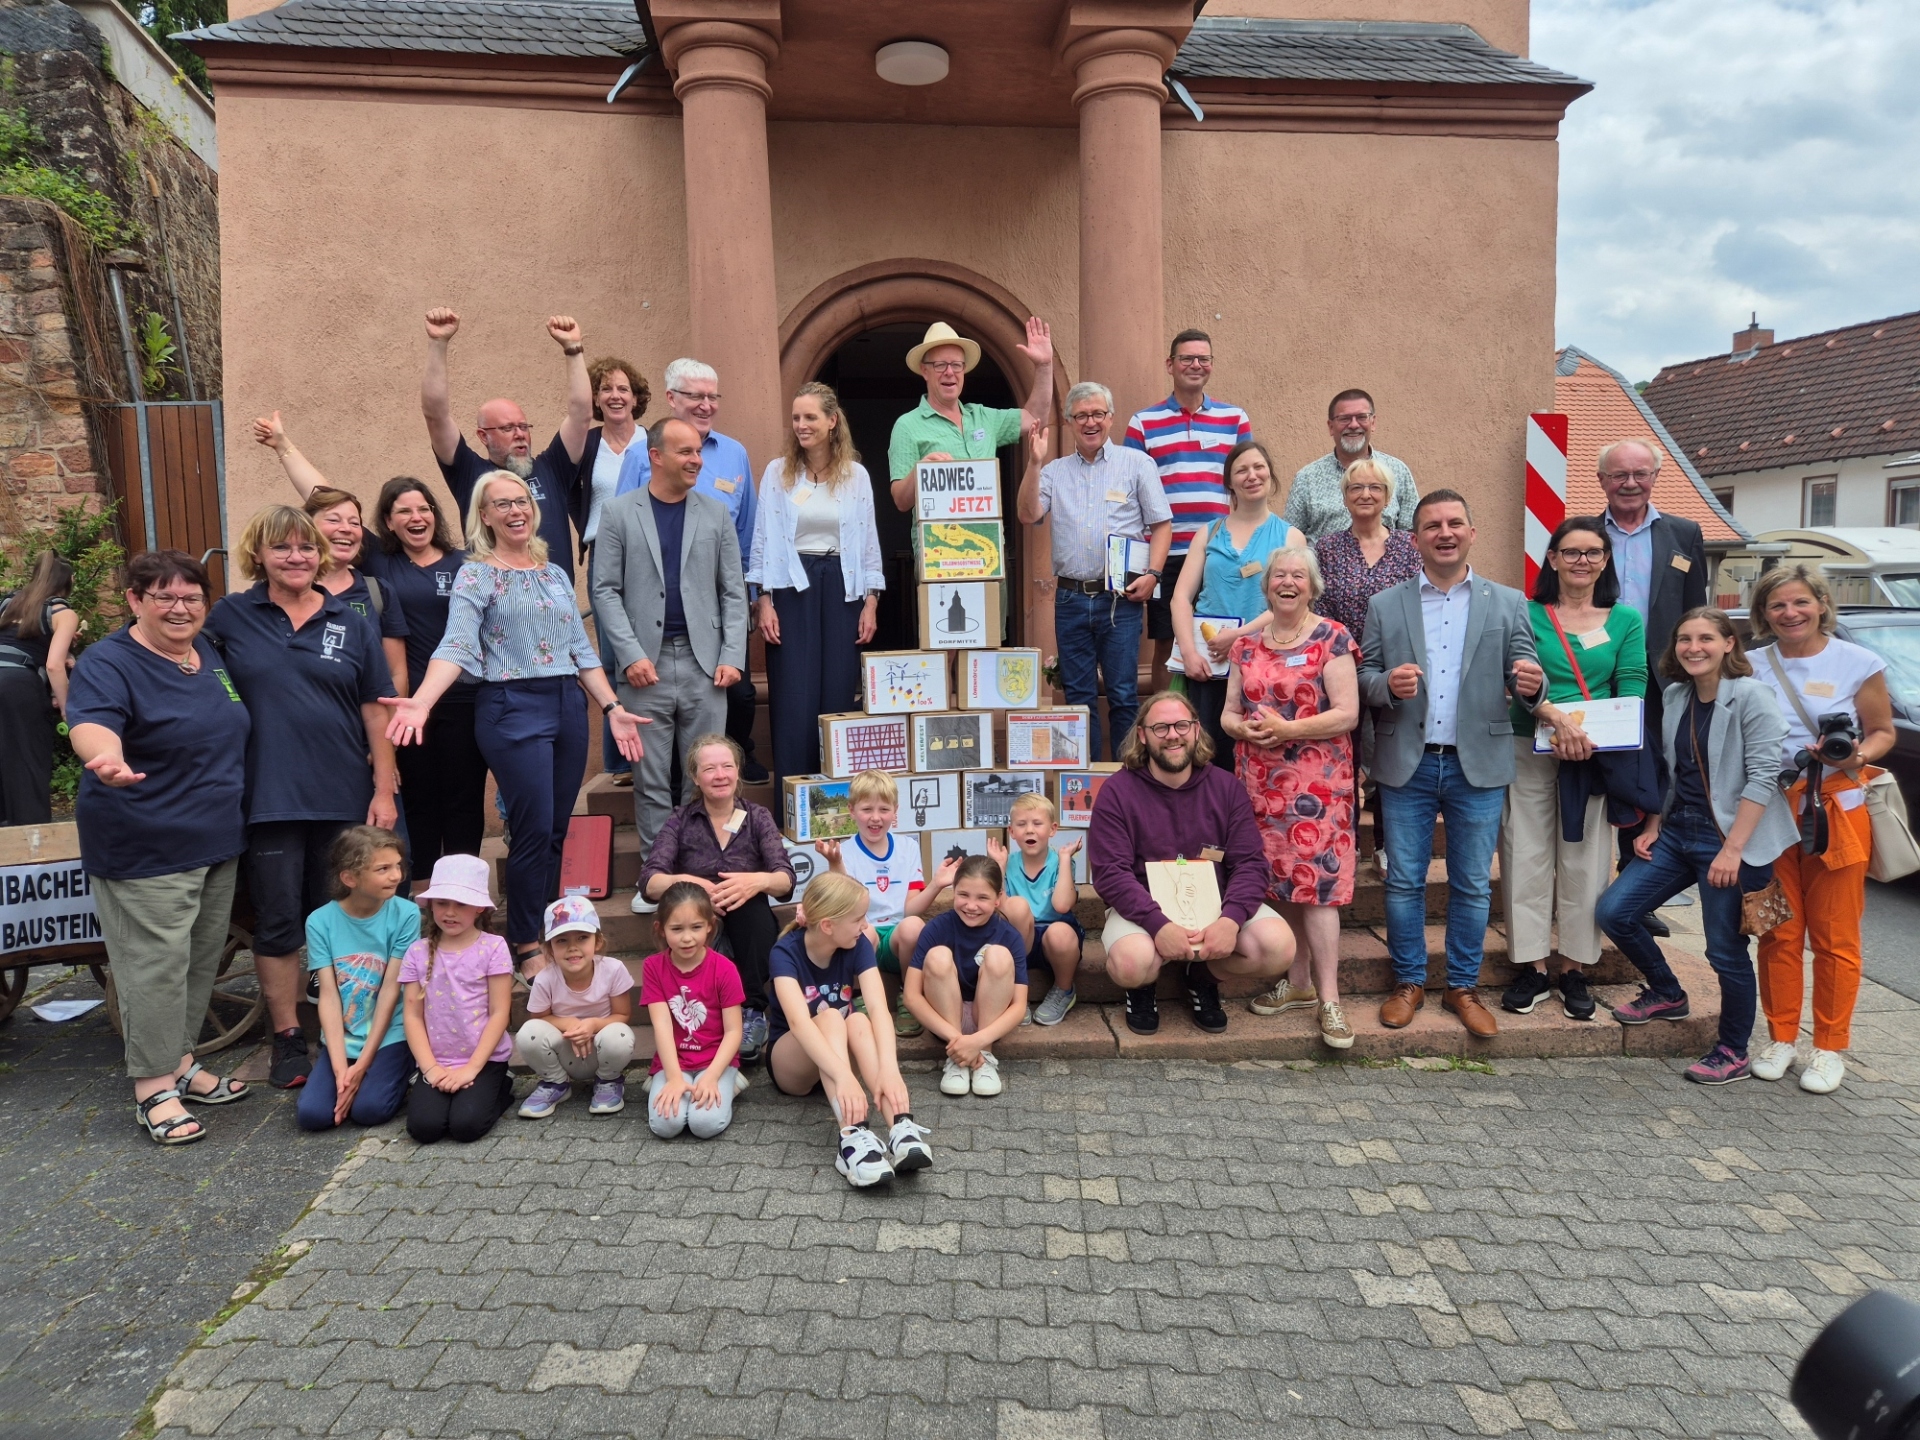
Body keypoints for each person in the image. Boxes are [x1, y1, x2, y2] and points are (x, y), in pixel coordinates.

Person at [380, 471, 646, 966]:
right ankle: (525, 942)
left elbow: (580, 650)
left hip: (567, 703)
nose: (515, 510)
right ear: (484, 515)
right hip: (509, 705)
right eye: (501, 504)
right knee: (531, 828)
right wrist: (423, 699)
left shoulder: (554, 573)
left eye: (521, 500)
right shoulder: (476, 574)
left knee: (556, 829)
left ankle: (545, 922)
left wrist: (611, 708)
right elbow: (456, 644)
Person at [205, 506, 399, 1090]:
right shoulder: (230, 617)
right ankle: (288, 1037)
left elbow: (376, 708)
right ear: (257, 555)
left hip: (343, 795)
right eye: (282, 548)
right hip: (267, 797)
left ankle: (351, 1031)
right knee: (281, 918)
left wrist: (384, 789)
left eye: (306, 547)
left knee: (342, 919)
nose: (297, 557)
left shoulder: (350, 618)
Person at [67, 550, 252, 1145]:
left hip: (214, 840)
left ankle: (181, 1063)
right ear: (135, 601)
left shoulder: (206, 657)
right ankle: (153, 1089)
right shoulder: (108, 662)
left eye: (192, 598)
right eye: (164, 597)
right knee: (154, 969)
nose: (180, 608)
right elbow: (90, 722)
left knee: (198, 962)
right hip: (145, 845)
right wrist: (106, 757)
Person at [1356, 490, 1547, 1038]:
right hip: (1407, 763)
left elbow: (1529, 671)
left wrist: (1532, 686)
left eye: (1455, 523)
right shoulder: (1385, 604)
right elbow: (1365, 675)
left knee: (1470, 883)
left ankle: (1462, 986)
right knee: (1403, 882)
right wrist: (1385, 685)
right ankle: (1408, 983)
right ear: (1413, 539)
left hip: (1477, 764)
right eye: (1432, 525)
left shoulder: (1508, 601)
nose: (1445, 532)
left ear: (1471, 533)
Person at [1595, 609, 1800, 1085]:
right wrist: (1653, 824)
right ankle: (1667, 991)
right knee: (1615, 912)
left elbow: (1765, 777)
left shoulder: (1752, 697)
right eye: (1685, 638)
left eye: (1706, 638)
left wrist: (1733, 850)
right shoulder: (1675, 694)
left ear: (1729, 644)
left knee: (1725, 951)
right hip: (1678, 831)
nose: (1694, 647)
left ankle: (1732, 1050)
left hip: (1729, 839)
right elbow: (1675, 771)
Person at [1748, 565, 1897, 1095]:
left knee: (1835, 937)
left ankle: (1830, 1047)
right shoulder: (1750, 663)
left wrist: (1854, 756)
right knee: (1777, 930)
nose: (1790, 613)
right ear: (1763, 614)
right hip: (1768, 809)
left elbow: (1882, 732)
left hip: (1837, 809)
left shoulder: (1858, 661)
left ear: (1821, 604)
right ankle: (1781, 1036)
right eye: (1777, 605)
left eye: (1800, 603)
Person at [1498, 517, 1648, 1024]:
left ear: (1605, 560)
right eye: (1570, 552)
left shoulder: (1625, 619)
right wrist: (1554, 721)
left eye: (1592, 552)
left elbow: (1631, 687)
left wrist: (1584, 735)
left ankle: (1575, 967)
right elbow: (1515, 675)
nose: (1581, 561)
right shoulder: (1528, 613)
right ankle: (1533, 967)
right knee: (1526, 855)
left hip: (1593, 754)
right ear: (1552, 559)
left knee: (1586, 862)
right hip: (1529, 747)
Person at [1088, 690, 1297, 1036]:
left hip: (1215, 904)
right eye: (1161, 728)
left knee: (1278, 947)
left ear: (1196, 730)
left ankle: (1201, 977)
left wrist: (1231, 920)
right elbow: (1111, 873)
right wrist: (1158, 925)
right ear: (1142, 734)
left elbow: (1249, 863)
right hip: (1144, 909)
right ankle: (1141, 988)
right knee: (1131, 964)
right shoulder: (1117, 791)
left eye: (1182, 725)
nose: (1173, 735)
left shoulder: (1226, 787)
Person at [1221, 548, 1361, 1049]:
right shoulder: (1246, 646)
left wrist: (1287, 728)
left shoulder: (1332, 637)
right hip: (1258, 782)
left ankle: (1330, 1001)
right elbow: (1228, 714)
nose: (1286, 582)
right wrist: (1246, 729)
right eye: (1279, 575)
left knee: (1318, 886)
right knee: (1278, 882)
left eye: (1297, 575)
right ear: (1267, 586)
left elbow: (1346, 713)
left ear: (1312, 585)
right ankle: (1298, 983)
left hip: (1317, 787)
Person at [592, 416, 748, 858]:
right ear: (655, 457)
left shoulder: (715, 512)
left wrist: (734, 654)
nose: (697, 460)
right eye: (686, 452)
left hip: (706, 665)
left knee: (705, 774)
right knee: (651, 778)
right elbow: (604, 589)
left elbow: (732, 590)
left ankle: (699, 866)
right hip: (645, 668)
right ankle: (656, 872)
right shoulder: (619, 513)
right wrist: (629, 654)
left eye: (698, 451)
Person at [615, 358, 765, 780]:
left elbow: (747, 528)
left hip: (717, 600)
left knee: (738, 692)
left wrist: (753, 595)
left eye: (712, 396)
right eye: (695, 396)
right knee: (662, 711)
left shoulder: (734, 453)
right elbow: (623, 525)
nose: (705, 405)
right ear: (671, 399)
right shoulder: (644, 453)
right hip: (657, 610)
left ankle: (735, 758)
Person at [1016, 382, 1172, 760]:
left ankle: (1125, 780)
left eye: (1098, 414)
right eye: (1082, 415)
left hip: (1121, 599)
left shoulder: (1136, 464)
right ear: (1069, 422)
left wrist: (1153, 574)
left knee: (1122, 694)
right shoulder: (1053, 471)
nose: (1090, 422)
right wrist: (1034, 463)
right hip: (1070, 598)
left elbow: (1162, 525)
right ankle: (1083, 783)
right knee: (1079, 697)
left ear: (1111, 418)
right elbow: (1028, 514)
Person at [749, 383, 884, 787]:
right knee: (793, 697)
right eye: (796, 418)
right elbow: (764, 537)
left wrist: (871, 601)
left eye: (810, 417)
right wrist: (764, 600)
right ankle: (793, 808)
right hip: (792, 587)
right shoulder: (779, 472)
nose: (802, 425)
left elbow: (869, 540)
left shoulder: (856, 476)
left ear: (832, 421)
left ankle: (836, 800)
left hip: (843, 588)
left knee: (837, 696)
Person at [765, 872, 933, 1188]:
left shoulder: (856, 946)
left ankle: (899, 1126)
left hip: (838, 1058)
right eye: (858, 919)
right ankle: (852, 1138)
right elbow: (800, 1025)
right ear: (827, 925)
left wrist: (890, 1069)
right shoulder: (785, 952)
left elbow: (880, 1010)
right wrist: (844, 1076)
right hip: (793, 1064)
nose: (866, 926)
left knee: (857, 1019)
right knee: (829, 1018)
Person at [1597, 437, 1708, 907]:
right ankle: (1607, 886)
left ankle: (1637, 890)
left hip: (1666, 676)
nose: (1630, 483)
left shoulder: (1684, 534)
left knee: (1659, 772)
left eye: (1640, 474)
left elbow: (1697, 610)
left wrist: (1697, 668)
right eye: (1620, 475)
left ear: (1655, 478)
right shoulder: (1582, 532)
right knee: (1616, 773)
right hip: (1603, 676)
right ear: (1602, 481)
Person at [635, 734, 793, 1063]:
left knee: (750, 905)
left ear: (738, 771)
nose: (720, 775)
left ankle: (751, 1012)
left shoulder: (757, 816)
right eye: (709, 768)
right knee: (689, 910)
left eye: (727, 766)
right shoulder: (680, 820)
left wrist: (757, 881)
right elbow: (649, 881)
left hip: (745, 918)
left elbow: (784, 879)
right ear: (695, 776)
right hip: (697, 920)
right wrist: (691, 882)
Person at [364, 476, 487, 880]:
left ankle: (464, 890)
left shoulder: (465, 562)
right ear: (388, 520)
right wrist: (281, 445)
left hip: (464, 702)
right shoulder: (381, 562)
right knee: (419, 800)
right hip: (405, 707)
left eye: (424, 509)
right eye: (404, 511)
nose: (416, 518)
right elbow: (325, 503)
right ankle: (421, 890)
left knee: (464, 800)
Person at [420, 307, 593, 580]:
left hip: (554, 609)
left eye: (524, 426)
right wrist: (438, 343)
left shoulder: (553, 468)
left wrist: (573, 348)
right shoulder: (468, 473)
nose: (520, 434)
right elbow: (435, 415)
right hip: (496, 610)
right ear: (483, 436)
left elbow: (582, 415)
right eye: (508, 428)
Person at [1123, 331, 1253, 690]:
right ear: (1170, 365)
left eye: (1204, 359)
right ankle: (1167, 724)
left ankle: (1213, 721)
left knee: (1225, 636)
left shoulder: (1234, 419)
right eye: (1187, 358)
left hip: (1220, 551)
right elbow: (1131, 495)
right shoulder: (1143, 423)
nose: (1196, 365)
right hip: (1166, 554)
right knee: (1167, 642)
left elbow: (1245, 479)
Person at [1170, 439, 1308, 771]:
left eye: (1258, 467)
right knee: (1207, 755)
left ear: (1270, 475)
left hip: (1265, 659)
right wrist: (1189, 653)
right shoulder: (1209, 533)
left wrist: (1240, 635)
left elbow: (1291, 603)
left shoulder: (1291, 537)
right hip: (1209, 664)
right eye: (1241, 470)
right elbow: (1179, 598)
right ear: (1229, 482)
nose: (1251, 475)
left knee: (1260, 755)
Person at [251, 413, 408, 692]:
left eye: (354, 522)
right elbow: (321, 494)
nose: (345, 528)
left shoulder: (377, 590)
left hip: (361, 725)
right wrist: (282, 445)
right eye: (333, 520)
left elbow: (395, 673)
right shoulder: (279, 588)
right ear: (308, 526)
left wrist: (389, 731)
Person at [296, 826, 417, 1133]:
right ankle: (344, 1073)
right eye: (383, 869)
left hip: (390, 1034)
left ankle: (401, 1070)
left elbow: (392, 989)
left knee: (370, 1110)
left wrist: (362, 1066)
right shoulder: (320, 921)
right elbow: (328, 995)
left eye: (398, 866)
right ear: (350, 878)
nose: (396, 876)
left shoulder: (406, 915)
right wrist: (341, 1070)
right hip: (344, 1035)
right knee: (313, 1116)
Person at [399, 854, 516, 1144]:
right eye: (442, 903)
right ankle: (450, 1092)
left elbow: (500, 1012)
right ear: (431, 905)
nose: (449, 912)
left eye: (460, 904)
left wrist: (472, 1069)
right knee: (424, 1129)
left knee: (466, 1127)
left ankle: (502, 1087)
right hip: (437, 1059)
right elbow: (413, 1016)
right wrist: (430, 1069)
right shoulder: (417, 952)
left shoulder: (493, 947)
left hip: (483, 1059)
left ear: (478, 907)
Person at [886, 319, 1055, 514]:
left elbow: (1034, 416)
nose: (950, 372)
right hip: (938, 542)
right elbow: (900, 501)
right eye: (940, 365)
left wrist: (1044, 365)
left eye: (956, 365)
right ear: (925, 371)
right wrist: (921, 472)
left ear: (964, 370)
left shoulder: (983, 417)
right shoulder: (907, 425)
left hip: (988, 542)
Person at [907, 856, 1030, 1099]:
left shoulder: (1010, 936)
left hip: (988, 1020)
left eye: (982, 897)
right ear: (953, 891)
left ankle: (984, 1057)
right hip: (946, 1021)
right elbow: (911, 996)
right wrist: (959, 1042)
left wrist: (978, 1041)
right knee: (938, 956)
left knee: (999, 956)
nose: (971, 905)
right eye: (964, 895)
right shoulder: (936, 928)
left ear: (997, 899)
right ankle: (956, 1060)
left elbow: (1019, 1006)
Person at [579, 356, 649, 781]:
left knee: (649, 653)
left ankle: (653, 751)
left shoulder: (652, 440)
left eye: (623, 388)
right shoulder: (587, 445)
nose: (615, 395)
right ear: (596, 399)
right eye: (606, 389)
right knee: (610, 659)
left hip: (650, 559)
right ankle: (618, 760)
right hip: (603, 555)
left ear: (636, 397)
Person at [816, 769, 927, 1038]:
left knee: (914, 926)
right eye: (867, 809)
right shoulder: (845, 851)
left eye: (884, 809)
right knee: (861, 931)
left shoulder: (908, 847)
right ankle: (860, 996)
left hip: (897, 941)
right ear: (852, 811)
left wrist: (937, 885)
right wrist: (834, 864)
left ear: (895, 811)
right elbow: (842, 901)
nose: (875, 817)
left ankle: (908, 996)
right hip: (864, 934)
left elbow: (911, 909)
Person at [515, 894, 636, 1119]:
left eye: (582, 938)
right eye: (562, 940)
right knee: (527, 1034)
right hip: (564, 1052)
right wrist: (569, 1023)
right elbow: (538, 1019)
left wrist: (592, 1025)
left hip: (600, 1050)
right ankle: (556, 1084)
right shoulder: (545, 978)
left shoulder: (613, 969)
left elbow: (623, 1014)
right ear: (549, 949)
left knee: (620, 1035)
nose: (573, 948)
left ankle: (608, 1080)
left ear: (597, 941)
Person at [642, 882, 747, 1140]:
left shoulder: (724, 969)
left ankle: (730, 1083)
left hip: (715, 1061)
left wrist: (711, 1077)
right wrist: (674, 1079)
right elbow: (663, 1026)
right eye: (677, 929)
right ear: (661, 929)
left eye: (696, 927)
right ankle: (666, 1082)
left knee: (704, 1125)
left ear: (710, 925)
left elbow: (734, 1031)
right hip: (674, 1061)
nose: (687, 938)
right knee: (666, 1126)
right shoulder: (653, 967)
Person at [0, 550, 79, 825]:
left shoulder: (8, 602)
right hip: (19, 687)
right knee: (27, 764)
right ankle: (33, 843)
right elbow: (55, 666)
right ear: (68, 581)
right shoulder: (63, 613)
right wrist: (69, 710)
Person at [993, 793, 1083, 1028]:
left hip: (1054, 941)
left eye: (1037, 824)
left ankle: (1064, 990)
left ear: (1053, 829)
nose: (1029, 831)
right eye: (1021, 825)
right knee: (1018, 907)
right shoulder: (1009, 862)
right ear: (1012, 832)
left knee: (1060, 933)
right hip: (1020, 938)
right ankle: (1015, 994)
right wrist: (999, 868)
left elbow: (1062, 905)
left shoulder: (1059, 862)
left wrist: (1065, 859)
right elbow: (1000, 909)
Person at [1284, 389, 1421, 539]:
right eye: (1344, 418)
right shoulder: (1306, 478)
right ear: (1331, 426)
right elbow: (1290, 539)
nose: (1354, 425)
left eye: (1362, 417)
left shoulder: (1398, 471)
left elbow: (1413, 535)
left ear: (1373, 422)